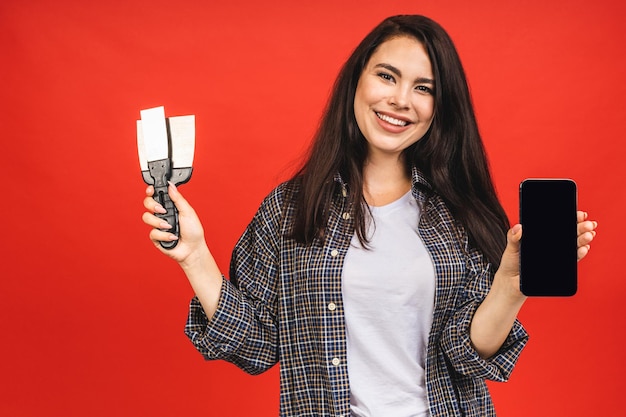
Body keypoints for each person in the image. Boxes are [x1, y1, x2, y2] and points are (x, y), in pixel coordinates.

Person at [141, 15, 597, 417]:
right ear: (357, 81)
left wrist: (511, 284)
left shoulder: (461, 213)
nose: (401, 100)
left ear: (439, 109)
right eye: (387, 76)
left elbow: (466, 356)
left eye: (423, 88)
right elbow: (256, 347)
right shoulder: (290, 208)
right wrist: (195, 257)